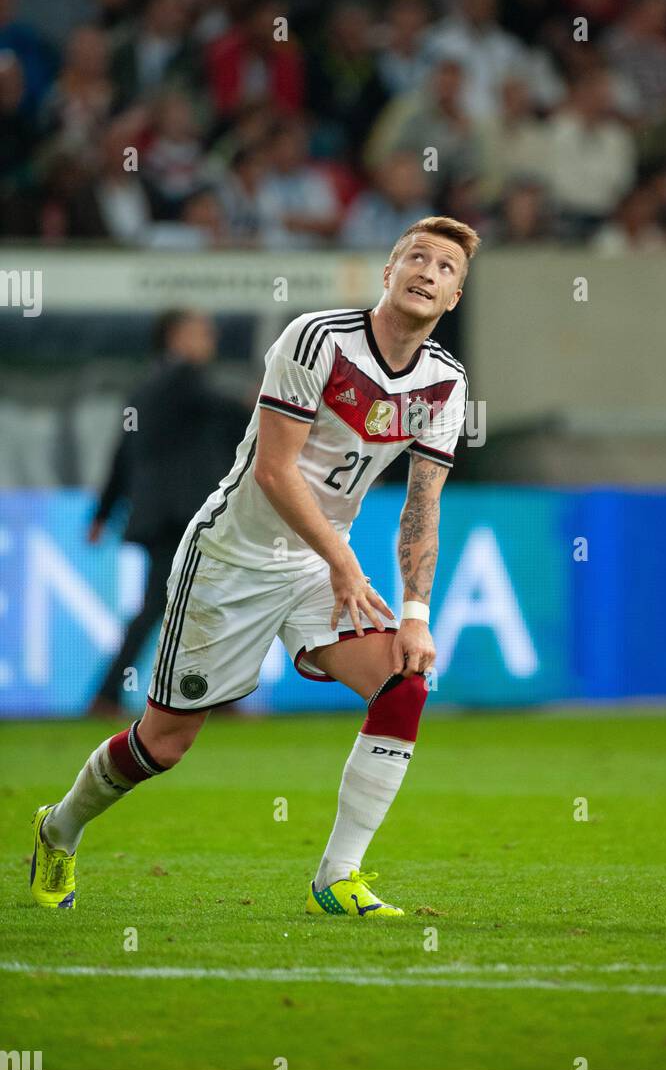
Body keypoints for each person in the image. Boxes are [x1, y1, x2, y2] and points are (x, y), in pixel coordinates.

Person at [31, 216, 479, 918]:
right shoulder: (316, 338)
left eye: (446, 268)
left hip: (318, 568)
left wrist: (416, 616)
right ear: (388, 273)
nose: (428, 271)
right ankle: (60, 826)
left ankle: (337, 876)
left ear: (453, 297)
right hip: (231, 560)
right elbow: (274, 471)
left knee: (404, 683)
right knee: (165, 743)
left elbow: (423, 505)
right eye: (415, 257)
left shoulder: (444, 382)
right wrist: (343, 563)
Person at [85, 310, 248, 719]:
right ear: (176, 338)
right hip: (181, 517)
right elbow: (226, 410)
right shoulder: (183, 380)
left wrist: (103, 512)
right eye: (201, 331)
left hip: (161, 516)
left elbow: (122, 455)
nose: (209, 338)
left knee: (181, 604)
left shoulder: (144, 389)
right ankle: (110, 696)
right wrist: (266, 403)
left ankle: (116, 697)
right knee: (183, 604)